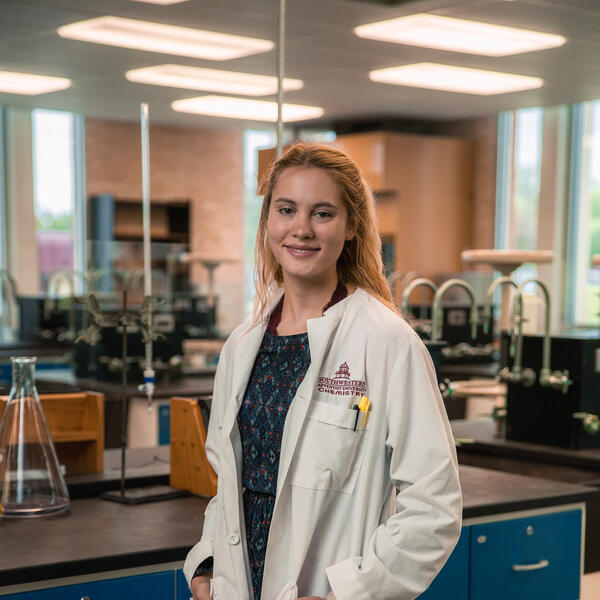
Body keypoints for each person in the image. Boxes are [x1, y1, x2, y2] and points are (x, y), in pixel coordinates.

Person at [184, 142, 462, 600]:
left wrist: (349, 594)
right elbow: (228, 483)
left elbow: (434, 506)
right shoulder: (241, 345)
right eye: (287, 209)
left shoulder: (388, 343)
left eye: (323, 213)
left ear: (351, 226)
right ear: (268, 221)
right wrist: (207, 563)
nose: (301, 229)